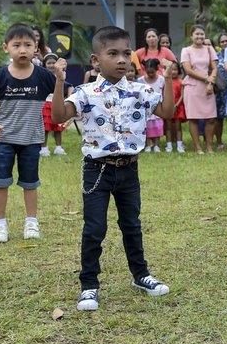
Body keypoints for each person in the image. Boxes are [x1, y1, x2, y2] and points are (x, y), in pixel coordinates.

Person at [50, 26, 174, 312]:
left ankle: (141, 275)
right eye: (113, 53)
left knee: (132, 224)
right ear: (96, 61)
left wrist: (166, 81)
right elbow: (58, 116)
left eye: (126, 53)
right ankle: (89, 285)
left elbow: (166, 112)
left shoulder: (140, 91)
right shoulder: (85, 93)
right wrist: (59, 82)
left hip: (129, 169)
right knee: (95, 228)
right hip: (97, 171)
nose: (121, 59)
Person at [0, 23, 57, 244]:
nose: (22, 50)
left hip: (32, 140)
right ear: (6, 48)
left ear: (37, 48)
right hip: (4, 140)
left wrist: (65, 111)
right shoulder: (0, 76)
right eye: (17, 45)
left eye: (28, 45)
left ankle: (31, 222)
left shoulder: (43, 76)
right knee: (0, 182)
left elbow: (64, 93)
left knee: (30, 183)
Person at [180, 25, 218, 154]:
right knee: (193, 118)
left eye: (202, 34)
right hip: (192, 87)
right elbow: (188, 70)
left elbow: (214, 67)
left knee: (211, 117)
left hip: (208, 87)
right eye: (197, 34)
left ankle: (209, 146)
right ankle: (197, 147)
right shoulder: (186, 50)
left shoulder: (209, 49)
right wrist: (206, 79)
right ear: (191, 36)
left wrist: (211, 81)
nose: (200, 36)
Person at [40, 53, 73, 156]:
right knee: (45, 128)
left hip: (57, 104)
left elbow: (68, 85)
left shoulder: (60, 75)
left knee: (57, 128)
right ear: (44, 64)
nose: (51, 65)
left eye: (53, 63)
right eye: (48, 63)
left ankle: (58, 147)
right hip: (45, 104)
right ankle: (44, 148)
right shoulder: (42, 75)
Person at [142, 58, 165, 152]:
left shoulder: (161, 79)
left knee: (157, 126)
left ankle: (156, 145)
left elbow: (164, 92)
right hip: (145, 108)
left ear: (157, 69)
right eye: (148, 72)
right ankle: (148, 144)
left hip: (157, 106)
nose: (150, 74)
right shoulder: (141, 81)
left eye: (152, 72)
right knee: (146, 127)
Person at [213, 32, 227, 150]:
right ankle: (219, 142)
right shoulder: (216, 57)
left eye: (226, 41)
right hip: (220, 91)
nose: (225, 43)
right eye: (222, 41)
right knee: (218, 118)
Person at [165, 62, 186, 153]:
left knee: (178, 128)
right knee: (168, 127)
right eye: (171, 70)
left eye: (175, 70)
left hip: (178, 107)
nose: (173, 72)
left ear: (178, 71)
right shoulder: (166, 81)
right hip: (168, 107)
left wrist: (177, 105)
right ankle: (169, 145)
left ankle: (179, 145)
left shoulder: (181, 82)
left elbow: (182, 95)